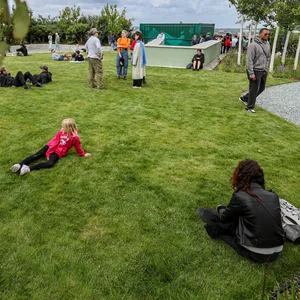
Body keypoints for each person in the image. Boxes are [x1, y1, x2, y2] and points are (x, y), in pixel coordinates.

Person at [216, 159, 285, 263]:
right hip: (278, 250)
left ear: (240, 175)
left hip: (256, 253)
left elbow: (224, 217)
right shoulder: (273, 196)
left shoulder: (240, 196)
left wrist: (220, 208)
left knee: (216, 223)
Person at [10, 118, 91, 176]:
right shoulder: (61, 132)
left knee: (50, 163)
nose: (62, 128)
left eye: (64, 127)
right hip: (50, 146)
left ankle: (28, 168)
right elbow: (55, 141)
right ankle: (19, 165)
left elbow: (78, 147)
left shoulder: (75, 138)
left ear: (69, 128)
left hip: (57, 153)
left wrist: (83, 154)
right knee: (36, 155)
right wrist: (48, 153)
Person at [239, 28, 271, 113]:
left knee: (262, 88)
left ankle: (245, 98)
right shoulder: (253, 45)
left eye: (268, 34)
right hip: (255, 70)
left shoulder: (267, 44)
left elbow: (268, 57)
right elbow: (249, 60)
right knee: (254, 89)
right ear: (260, 34)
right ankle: (249, 107)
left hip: (263, 70)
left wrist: (266, 68)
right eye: (265, 34)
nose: (267, 36)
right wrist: (251, 73)